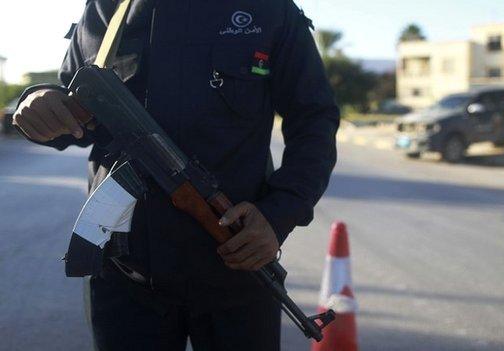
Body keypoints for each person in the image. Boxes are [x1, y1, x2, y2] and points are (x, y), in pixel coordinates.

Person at [12, 1, 339, 350]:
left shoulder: (268, 11)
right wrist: (37, 102)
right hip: (127, 282)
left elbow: (314, 119)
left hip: (236, 267)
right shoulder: (109, 8)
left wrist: (278, 214)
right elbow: (74, 105)